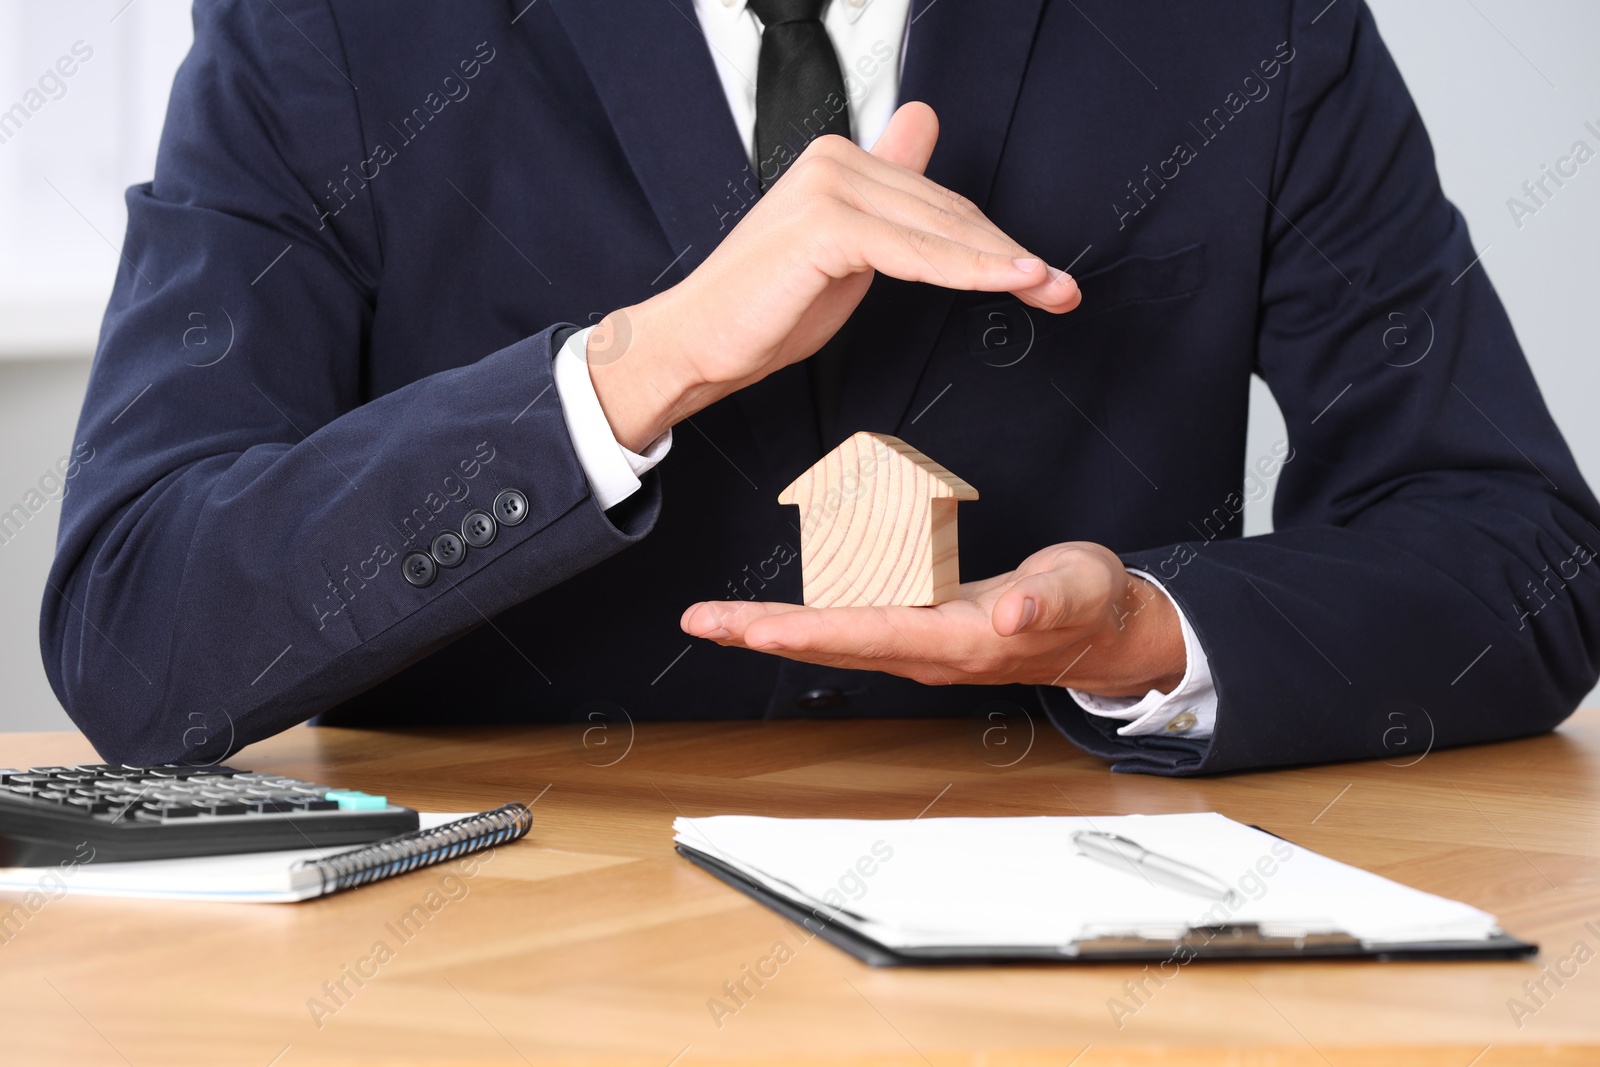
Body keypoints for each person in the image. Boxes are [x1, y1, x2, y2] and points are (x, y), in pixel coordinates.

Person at [41, 0, 1600, 775]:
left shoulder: (1243, 23)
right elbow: (138, 624)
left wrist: (1153, 632)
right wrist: (646, 361)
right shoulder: (333, 27)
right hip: (500, 992)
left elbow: (1522, 550)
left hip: (1084, 976)